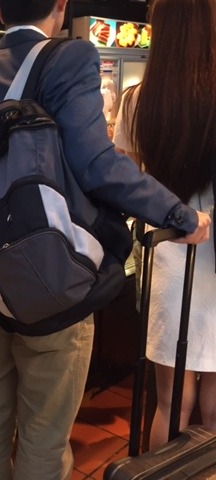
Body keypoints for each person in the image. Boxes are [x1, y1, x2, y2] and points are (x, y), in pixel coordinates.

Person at [0, 1, 211, 479]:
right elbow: (97, 164)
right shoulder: (70, 57)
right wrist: (180, 215)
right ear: (62, 5)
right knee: (44, 428)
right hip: (52, 283)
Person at [113, 0, 216, 451]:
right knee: (214, 398)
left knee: (171, 400)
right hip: (213, 255)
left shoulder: (138, 99)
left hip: (168, 252)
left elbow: (125, 182)